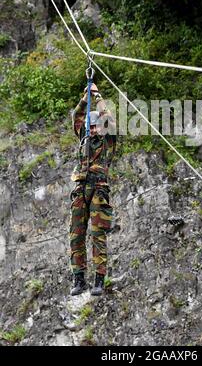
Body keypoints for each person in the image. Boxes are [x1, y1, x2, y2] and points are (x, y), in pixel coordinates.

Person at [69, 83, 116, 296]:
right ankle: (79, 279)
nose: (94, 130)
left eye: (97, 126)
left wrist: (97, 96)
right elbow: (76, 116)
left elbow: (109, 120)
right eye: (92, 127)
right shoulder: (83, 139)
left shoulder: (106, 142)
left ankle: (99, 278)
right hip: (81, 189)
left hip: (98, 189)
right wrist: (85, 98)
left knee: (98, 235)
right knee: (76, 235)